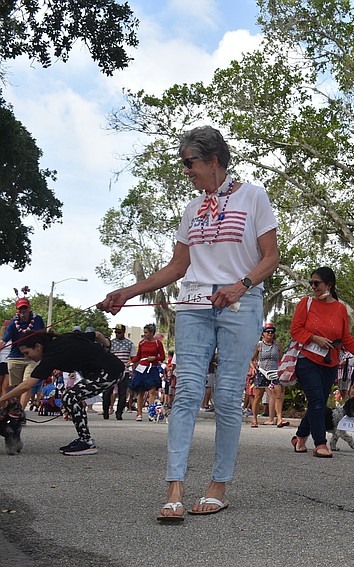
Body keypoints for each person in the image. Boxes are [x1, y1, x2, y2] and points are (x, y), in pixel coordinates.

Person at [98, 125, 279, 522]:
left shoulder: (253, 195)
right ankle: (174, 488)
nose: (186, 171)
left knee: (230, 396)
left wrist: (239, 285)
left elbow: (270, 257)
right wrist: (128, 291)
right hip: (193, 303)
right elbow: (178, 267)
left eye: (189, 163)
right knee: (186, 393)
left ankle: (218, 486)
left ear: (213, 160)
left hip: (240, 304)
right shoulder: (192, 209)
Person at [289, 267, 354, 457]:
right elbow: (295, 330)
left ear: (329, 285)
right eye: (311, 283)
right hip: (307, 360)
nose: (313, 287)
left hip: (329, 363)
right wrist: (314, 338)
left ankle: (299, 436)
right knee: (316, 401)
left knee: (319, 403)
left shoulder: (339, 308)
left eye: (317, 283)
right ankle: (320, 444)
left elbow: (345, 338)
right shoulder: (305, 303)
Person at [0, 330, 123, 455]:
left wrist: (2, 399)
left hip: (110, 372)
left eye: (27, 353)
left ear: (38, 346)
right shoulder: (65, 337)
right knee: (71, 397)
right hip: (109, 368)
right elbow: (97, 334)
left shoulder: (52, 355)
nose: (27, 357)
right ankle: (84, 439)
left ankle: (86, 442)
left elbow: (26, 385)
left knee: (70, 397)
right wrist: (107, 345)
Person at [0, 298, 45, 405]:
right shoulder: (13, 324)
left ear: (29, 308)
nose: (22, 312)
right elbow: (4, 341)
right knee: (17, 387)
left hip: (32, 358)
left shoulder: (38, 320)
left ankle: (20, 412)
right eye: (20, 309)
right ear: (17, 311)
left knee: (27, 385)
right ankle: (16, 409)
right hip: (15, 357)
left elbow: (44, 335)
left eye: (25, 308)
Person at [251, 323, 287, 427]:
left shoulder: (277, 344)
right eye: (268, 331)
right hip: (262, 371)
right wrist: (253, 368)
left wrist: (283, 370)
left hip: (274, 372)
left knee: (278, 395)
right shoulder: (259, 345)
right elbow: (252, 358)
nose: (270, 333)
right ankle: (254, 419)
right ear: (263, 334)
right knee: (258, 396)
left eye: (272, 331)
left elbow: (281, 358)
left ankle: (279, 419)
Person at [129, 323, 165, 421]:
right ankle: (139, 413)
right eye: (144, 332)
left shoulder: (158, 343)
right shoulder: (142, 343)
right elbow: (138, 356)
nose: (144, 334)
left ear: (152, 333)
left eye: (146, 332)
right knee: (140, 391)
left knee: (152, 391)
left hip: (152, 368)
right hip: (142, 368)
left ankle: (151, 412)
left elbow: (162, 356)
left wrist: (155, 358)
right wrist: (131, 362)